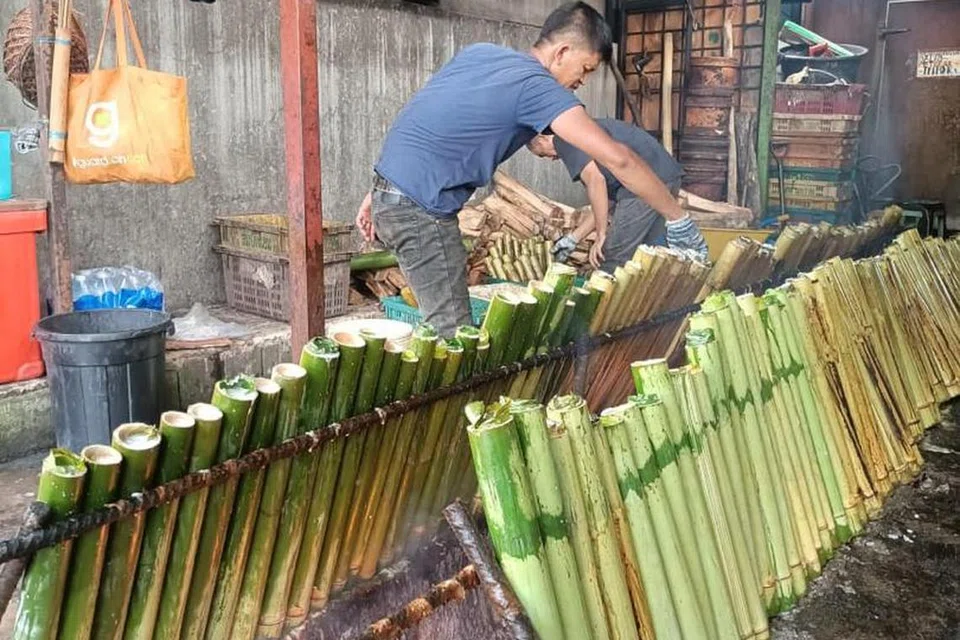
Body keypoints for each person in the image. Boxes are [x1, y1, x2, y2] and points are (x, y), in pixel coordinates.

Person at [356, 2, 705, 337]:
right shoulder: (537, 87)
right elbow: (620, 159)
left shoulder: (480, 53)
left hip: (395, 193)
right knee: (456, 339)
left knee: (445, 330)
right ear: (562, 52)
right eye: (585, 70)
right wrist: (678, 219)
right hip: (420, 212)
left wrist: (382, 190)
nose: (581, 82)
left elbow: (427, 120)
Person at [529, 120, 708, 272]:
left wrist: (601, 235)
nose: (551, 159)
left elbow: (595, 181)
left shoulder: (564, 137)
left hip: (642, 185)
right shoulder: (584, 129)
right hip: (666, 176)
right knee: (651, 254)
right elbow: (605, 201)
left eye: (543, 154)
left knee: (613, 257)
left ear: (543, 137)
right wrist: (573, 238)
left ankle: (606, 309)